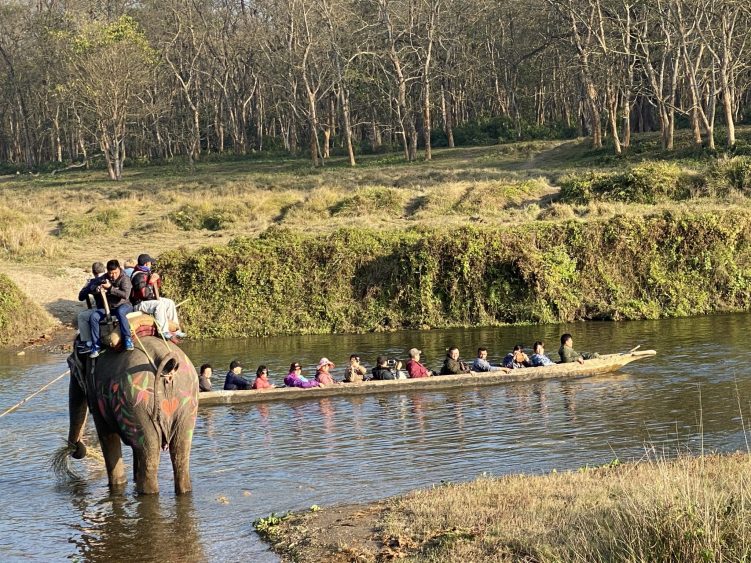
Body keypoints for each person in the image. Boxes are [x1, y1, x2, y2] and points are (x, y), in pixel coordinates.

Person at [130, 253, 186, 341]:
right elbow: (144, 294)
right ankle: (163, 331)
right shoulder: (138, 276)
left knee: (169, 302)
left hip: (149, 300)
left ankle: (175, 329)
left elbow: (155, 288)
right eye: (150, 263)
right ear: (146, 264)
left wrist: (157, 280)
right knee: (159, 305)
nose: (151, 265)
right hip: (140, 303)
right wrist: (151, 282)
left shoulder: (146, 272)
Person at [88, 259, 134, 358]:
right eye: (110, 273)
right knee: (93, 317)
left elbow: (125, 295)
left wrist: (110, 288)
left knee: (121, 312)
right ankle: (96, 345)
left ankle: (127, 338)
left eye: (115, 273)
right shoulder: (105, 277)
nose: (113, 276)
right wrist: (96, 289)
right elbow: (91, 286)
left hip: (124, 305)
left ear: (119, 269)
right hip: (108, 307)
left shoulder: (125, 279)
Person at [76, 261, 107, 354]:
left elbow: (81, 297)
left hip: (102, 310)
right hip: (118, 307)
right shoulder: (111, 277)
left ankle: (88, 343)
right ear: (104, 269)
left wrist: (87, 286)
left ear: (93, 272)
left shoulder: (93, 282)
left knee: (82, 316)